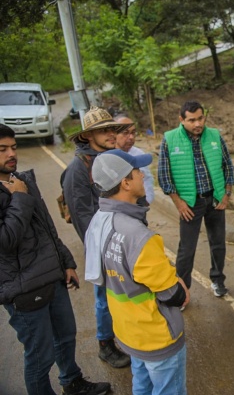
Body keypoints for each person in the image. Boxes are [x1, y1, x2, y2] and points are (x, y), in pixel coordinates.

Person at [0, 124, 111, 395]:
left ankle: (72, 382)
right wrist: (20, 199)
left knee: (65, 336)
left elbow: (47, 227)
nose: (11, 153)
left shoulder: (20, 179)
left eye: (13, 147)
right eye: (3, 150)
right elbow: (6, 240)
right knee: (40, 356)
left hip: (52, 276)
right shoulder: (18, 190)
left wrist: (66, 262)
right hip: (23, 289)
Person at [86, 149, 189, 394]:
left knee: (141, 384)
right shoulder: (139, 237)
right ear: (125, 183)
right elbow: (174, 295)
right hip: (155, 335)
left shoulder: (99, 220)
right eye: (137, 172)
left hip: (128, 331)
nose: (143, 175)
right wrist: (180, 282)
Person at [63, 106, 131, 368]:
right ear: (87, 136)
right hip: (103, 246)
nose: (111, 133)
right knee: (104, 297)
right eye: (104, 130)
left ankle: (126, 335)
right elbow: (84, 219)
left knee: (126, 294)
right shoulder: (78, 170)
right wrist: (106, 249)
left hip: (127, 240)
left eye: (113, 128)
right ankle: (105, 344)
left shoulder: (114, 158)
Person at [158, 101, 234, 298]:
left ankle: (217, 280)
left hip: (215, 199)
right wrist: (179, 203)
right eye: (191, 120)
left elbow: (228, 166)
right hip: (190, 203)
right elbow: (164, 176)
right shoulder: (170, 139)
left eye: (200, 118)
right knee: (187, 249)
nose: (197, 124)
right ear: (182, 120)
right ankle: (181, 291)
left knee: (218, 243)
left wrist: (226, 194)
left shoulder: (214, 136)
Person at [114, 114, 155, 206]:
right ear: (114, 134)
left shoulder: (138, 154)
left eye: (133, 132)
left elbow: (147, 178)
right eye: (125, 133)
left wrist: (146, 201)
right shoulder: (106, 157)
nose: (131, 137)